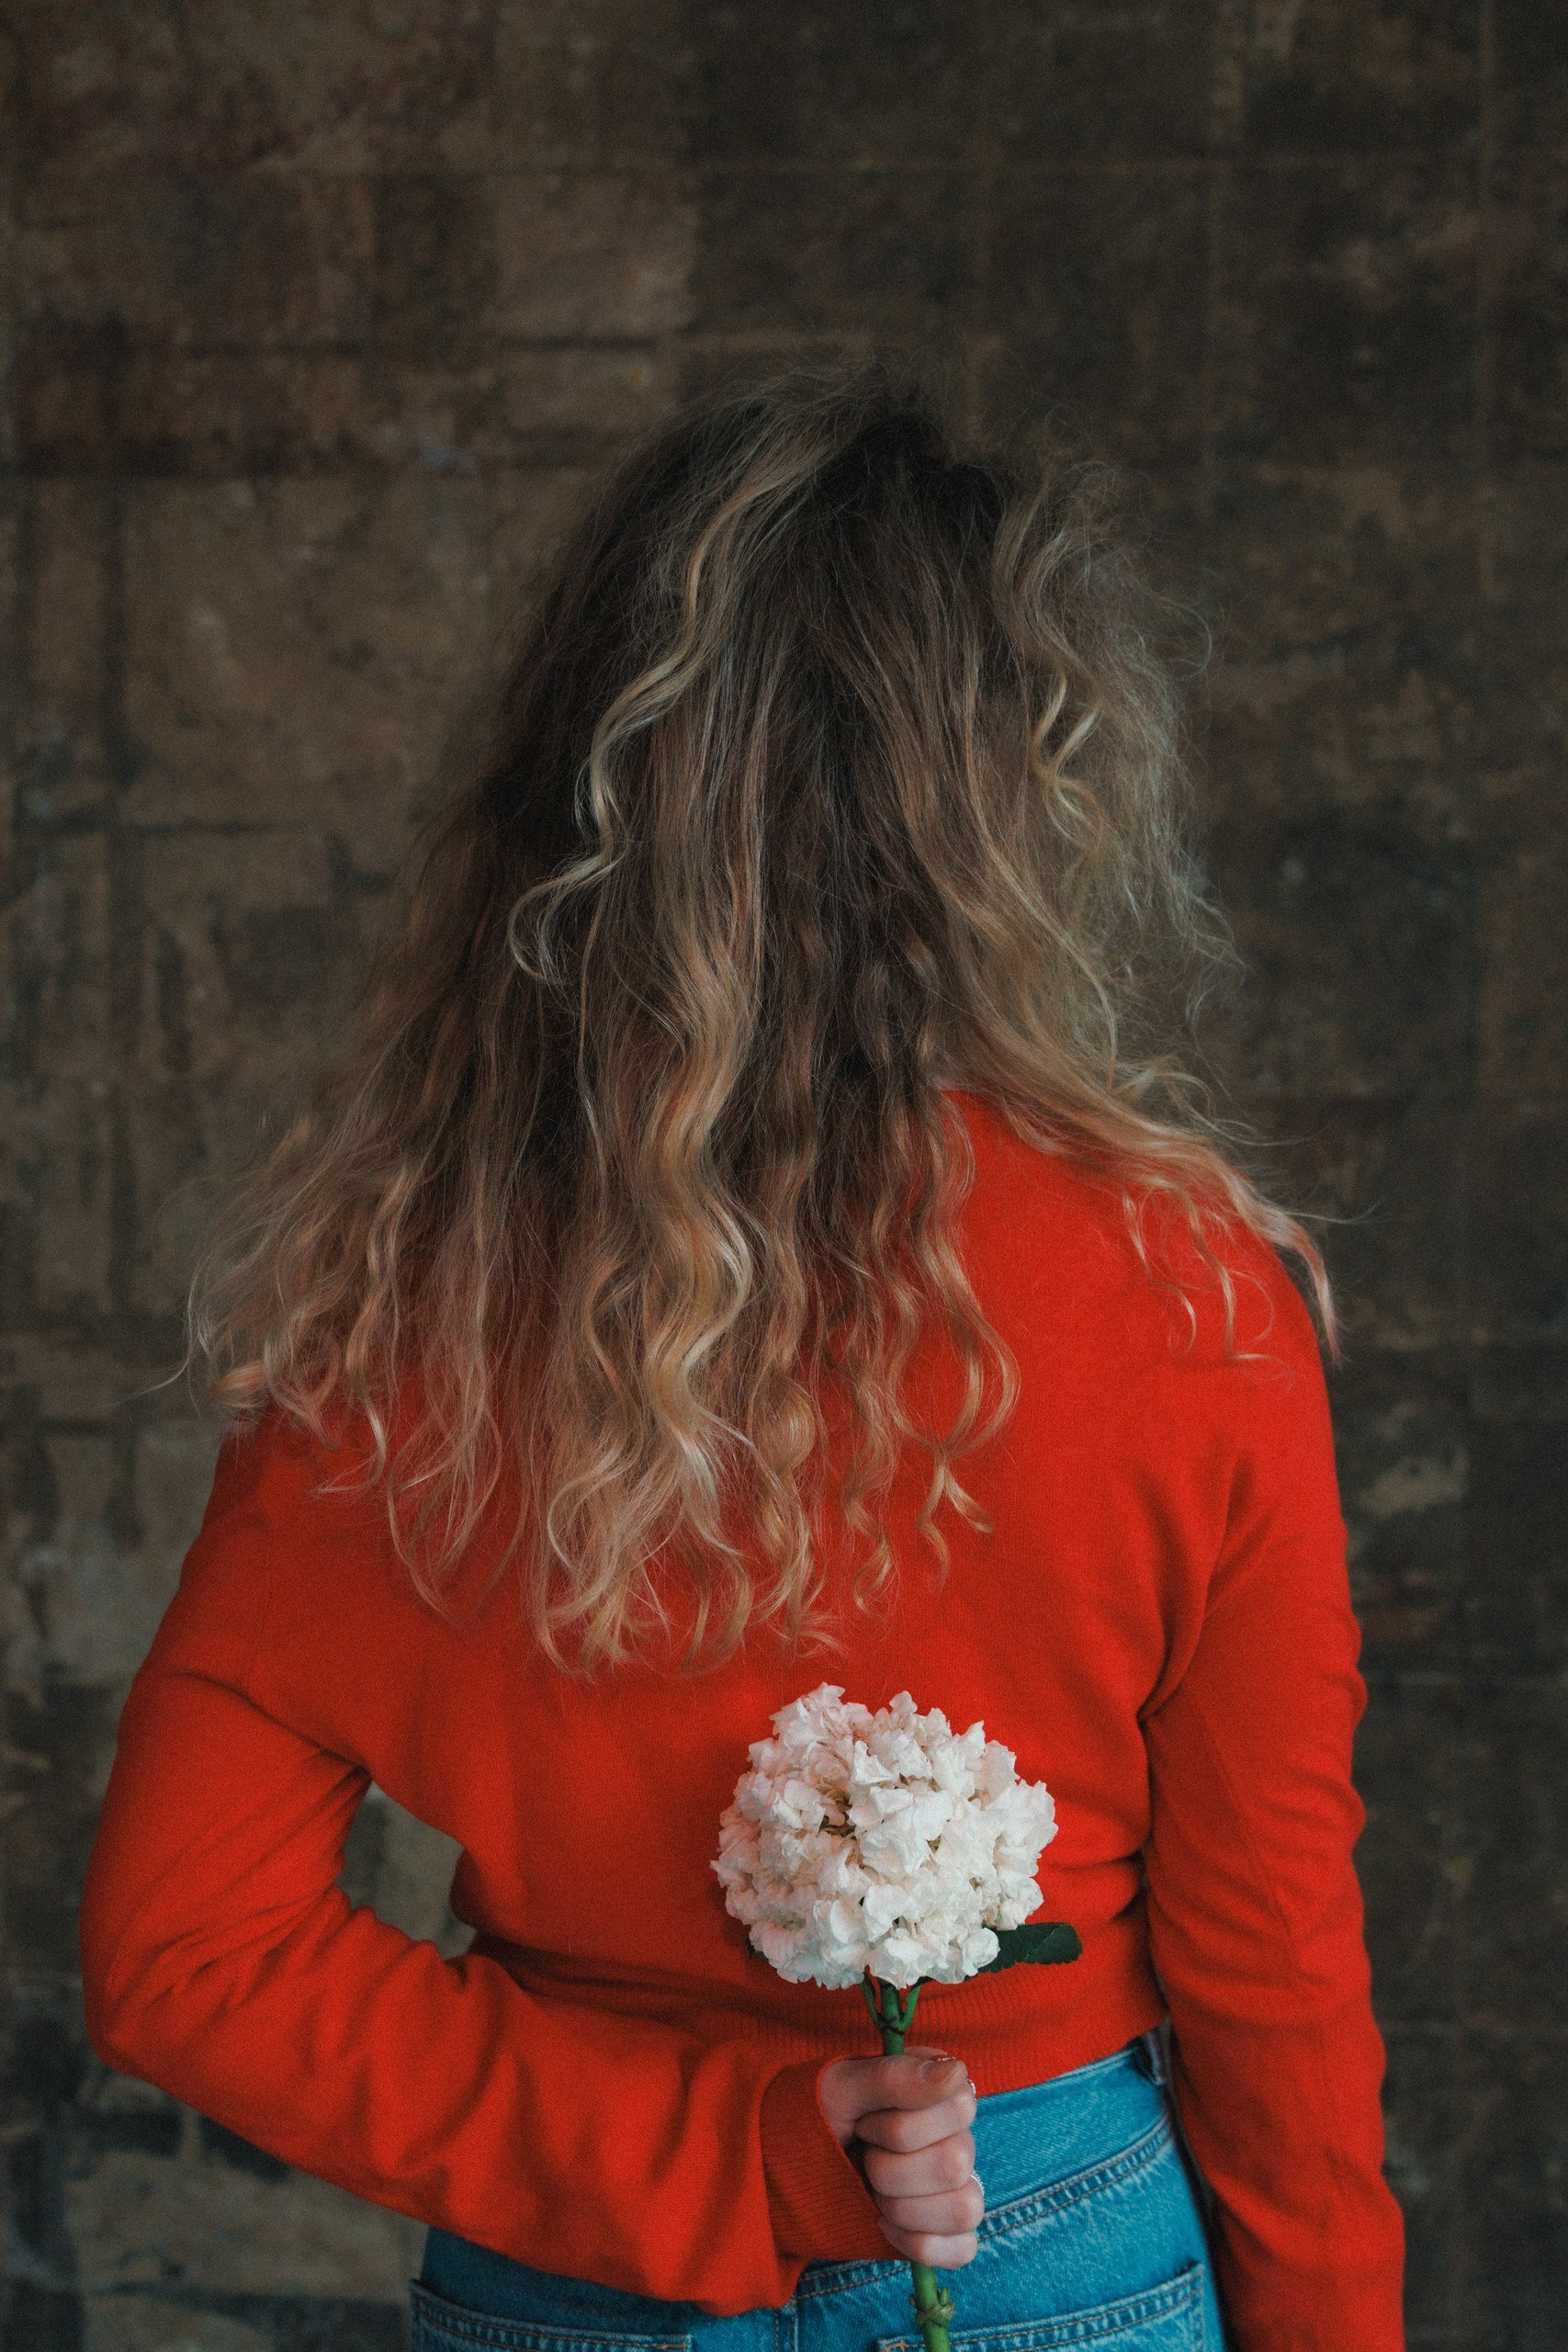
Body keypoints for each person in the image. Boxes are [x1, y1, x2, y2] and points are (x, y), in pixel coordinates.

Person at [80, 368, 1406, 2352]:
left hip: (580, 2276)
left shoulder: (398, 1323)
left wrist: (708, 2157)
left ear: (578, 797)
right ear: (1008, 795)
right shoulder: (1191, 1291)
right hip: (1056, 2243)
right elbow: (1272, 1968)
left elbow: (183, 1954)